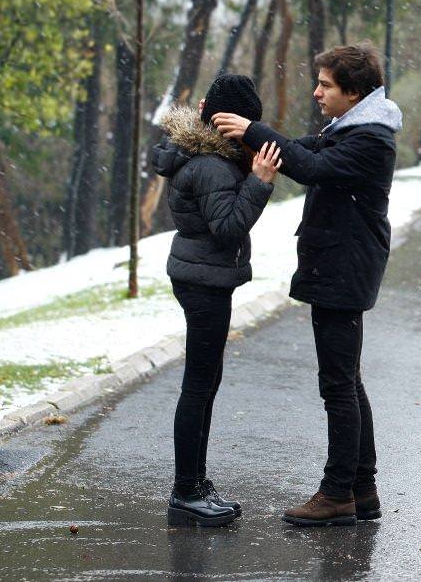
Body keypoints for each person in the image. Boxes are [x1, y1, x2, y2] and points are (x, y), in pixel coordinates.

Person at [213, 43, 400, 527]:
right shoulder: (349, 130)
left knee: (338, 385)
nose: (316, 92)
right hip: (339, 265)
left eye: (326, 85)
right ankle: (363, 489)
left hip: (344, 268)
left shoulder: (369, 139)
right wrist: (244, 140)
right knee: (347, 383)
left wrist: (252, 129)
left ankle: (338, 493)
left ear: (354, 92)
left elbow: (310, 167)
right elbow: (299, 150)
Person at [152, 74, 282, 527]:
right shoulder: (210, 165)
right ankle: (185, 492)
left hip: (203, 276)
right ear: (229, 122)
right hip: (203, 280)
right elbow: (227, 227)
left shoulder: (209, 156)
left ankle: (195, 483)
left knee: (205, 382)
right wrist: (260, 182)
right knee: (199, 385)